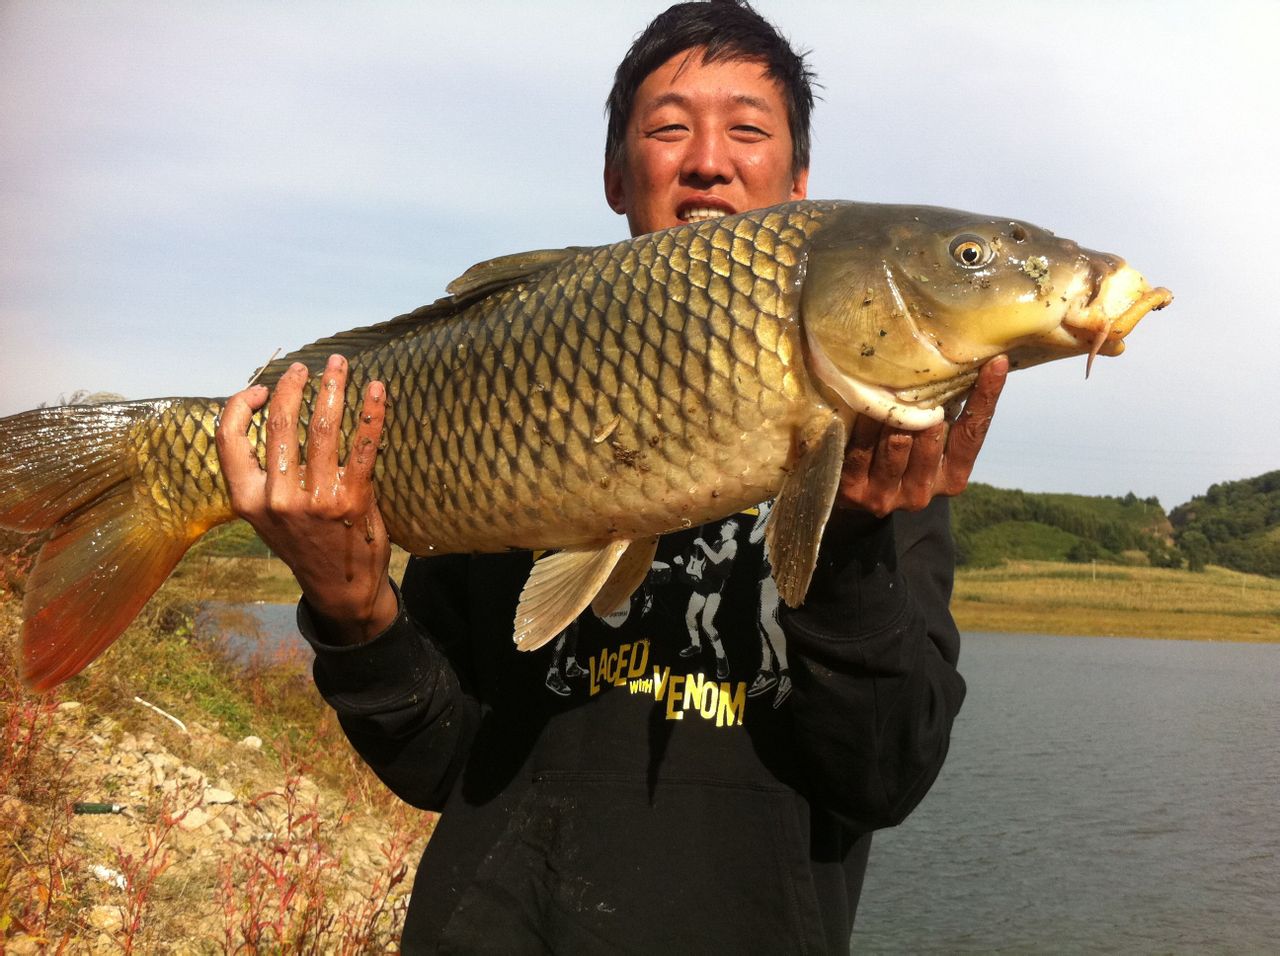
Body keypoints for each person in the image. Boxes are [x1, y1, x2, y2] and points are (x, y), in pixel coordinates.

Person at [215, 1, 1006, 951]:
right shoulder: (523, 374)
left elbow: (884, 777)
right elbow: (440, 763)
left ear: (799, 183)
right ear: (615, 175)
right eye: (668, 126)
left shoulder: (885, 463)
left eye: (748, 129)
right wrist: (351, 609)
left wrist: (854, 549)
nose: (707, 158)